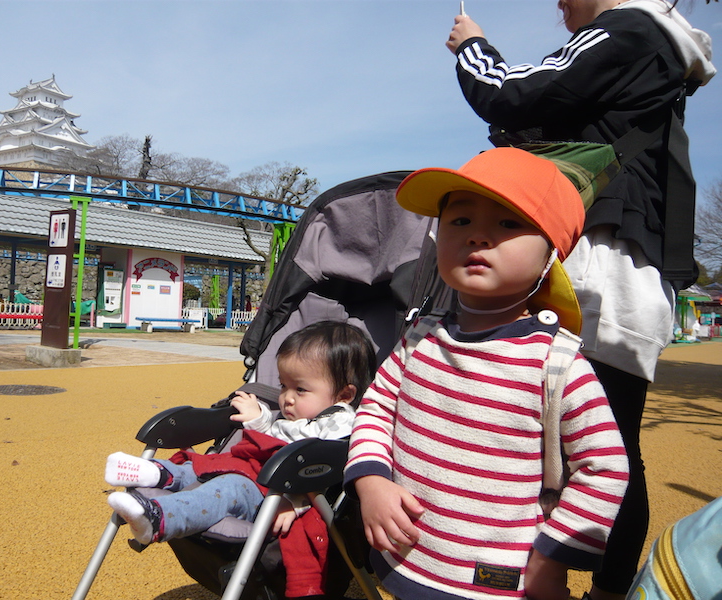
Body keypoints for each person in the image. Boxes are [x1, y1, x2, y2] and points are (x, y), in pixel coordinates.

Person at [446, 3, 715, 599]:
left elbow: (514, 93)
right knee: (600, 448)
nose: (558, 3)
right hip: (622, 274)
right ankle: (597, 589)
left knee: (589, 452)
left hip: (601, 273)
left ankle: (582, 588)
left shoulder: (630, 30)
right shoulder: (653, 52)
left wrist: (473, 45)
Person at [344, 148, 629, 600]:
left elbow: (606, 468)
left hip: (496, 579)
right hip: (407, 557)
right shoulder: (421, 336)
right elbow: (377, 408)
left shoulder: (557, 365)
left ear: (551, 252)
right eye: (459, 221)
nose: (478, 236)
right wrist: (371, 479)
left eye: (508, 223)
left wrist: (551, 556)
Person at [105, 320, 376, 547]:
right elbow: (276, 431)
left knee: (229, 486)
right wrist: (257, 416)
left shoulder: (340, 425)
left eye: (300, 390)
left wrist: (294, 501)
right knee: (204, 467)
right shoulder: (298, 416)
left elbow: (324, 471)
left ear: (344, 395)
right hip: (254, 474)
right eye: (284, 386)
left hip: (274, 492)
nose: (287, 399)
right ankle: (155, 472)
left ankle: (159, 519)